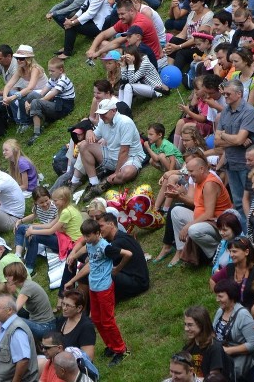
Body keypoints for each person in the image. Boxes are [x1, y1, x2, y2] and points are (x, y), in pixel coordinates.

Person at [64, 219, 131, 366]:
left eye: (89, 236)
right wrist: (74, 255)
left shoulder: (105, 247)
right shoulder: (90, 243)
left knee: (108, 321)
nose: (86, 239)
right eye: (84, 236)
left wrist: (118, 268)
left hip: (104, 288)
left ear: (97, 233)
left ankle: (122, 350)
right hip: (94, 287)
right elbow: (87, 252)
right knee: (97, 319)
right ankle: (111, 346)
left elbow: (127, 254)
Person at [70, 98, 145, 195]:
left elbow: (124, 151)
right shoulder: (103, 122)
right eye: (100, 114)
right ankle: (94, 183)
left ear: (113, 111)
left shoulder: (125, 122)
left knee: (127, 172)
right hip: (111, 155)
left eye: (104, 114)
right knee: (84, 145)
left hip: (130, 158)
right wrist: (88, 131)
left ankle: (107, 181)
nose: (101, 117)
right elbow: (93, 139)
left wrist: (117, 172)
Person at [214, 79, 254, 216]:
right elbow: (217, 141)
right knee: (238, 203)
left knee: (251, 202)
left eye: (228, 94)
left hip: (246, 164)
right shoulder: (225, 112)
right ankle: (244, 234)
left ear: (239, 94)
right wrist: (236, 140)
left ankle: (252, 234)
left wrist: (224, 135)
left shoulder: (249, 112)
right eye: (224, 94)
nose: (225, 96)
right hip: (231, 163)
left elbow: (238, 139)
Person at [212, 279, 254, 381]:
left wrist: (228, 350)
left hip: (241, 370)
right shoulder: (220, 311)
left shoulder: (243, 315)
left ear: (231, 296)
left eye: (220, 296)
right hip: (223, 364)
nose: (217, 299)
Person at [182, 305, 233, 379]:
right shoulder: (188, 347)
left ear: (202, 325)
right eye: (185, 324)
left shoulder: (215, 348)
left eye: (190, 325)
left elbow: (213, 379)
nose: (186, 328)